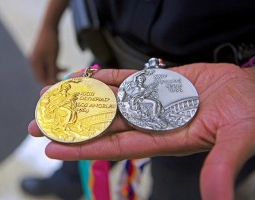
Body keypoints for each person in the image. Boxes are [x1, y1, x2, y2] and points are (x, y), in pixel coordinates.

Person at [25, 0, 255, 199]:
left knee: (177, 191)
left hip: (211, 94)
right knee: (80, 144)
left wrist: (250, 80)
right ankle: (65, 186)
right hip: (110, 58)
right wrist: (49, 24)